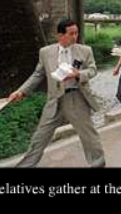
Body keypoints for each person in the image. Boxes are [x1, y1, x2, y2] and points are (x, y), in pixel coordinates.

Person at [9, 19, 105, 168]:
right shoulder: (45, 52)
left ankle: (98, 163)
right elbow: (37, 75)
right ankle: (25, 166)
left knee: (88, 135)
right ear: (60, 35)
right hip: (54, 99)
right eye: (71, 33)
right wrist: (21, 91)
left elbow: (93, 70)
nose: (75, 36)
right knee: (40, 136)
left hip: (75, 98)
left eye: (76, 32)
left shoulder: (85, 50)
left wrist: (77, 73)